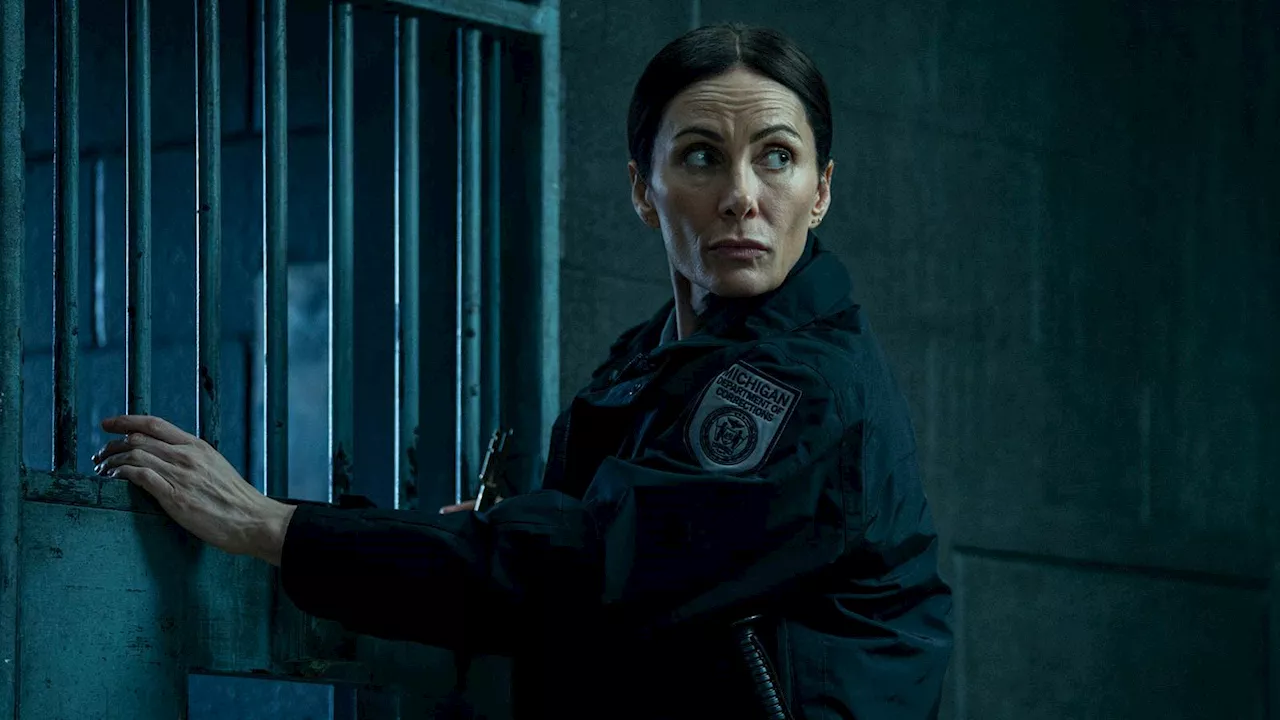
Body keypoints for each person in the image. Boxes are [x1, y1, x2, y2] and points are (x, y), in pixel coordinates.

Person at [93, 23, 952, 720]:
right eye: (699, 155)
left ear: (820, 190)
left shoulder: (805, 388)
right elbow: (581, 550)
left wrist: (275, 527)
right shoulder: (650, 358)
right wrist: (500, 534)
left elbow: (576, 568)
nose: (741, 194)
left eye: (776, 156)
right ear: (643, 190)